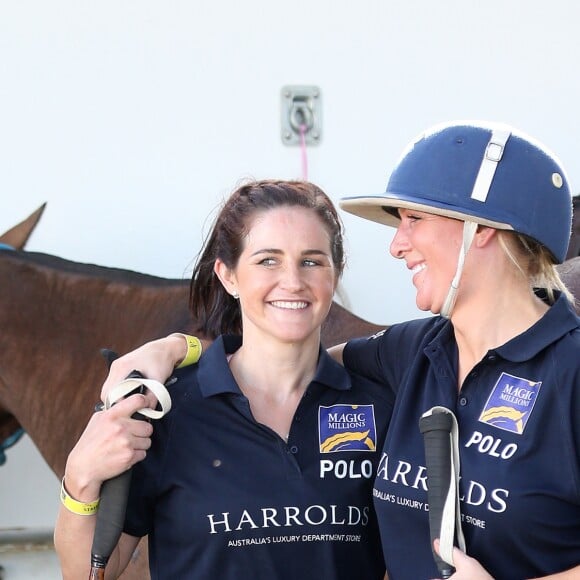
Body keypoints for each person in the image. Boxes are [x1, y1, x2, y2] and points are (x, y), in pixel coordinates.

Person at [100, 121, 580, 580]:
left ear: (484, 228)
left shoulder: (571, 370)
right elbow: (281, 362)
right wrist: (176, 350)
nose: (397, 245)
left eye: (413, 219)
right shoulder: (414, 352)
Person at [53, 180, 393, 579]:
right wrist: (79, 477)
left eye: (312, 261)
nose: (293, 281)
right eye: (268, 260)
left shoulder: (378, 407)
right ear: (228, 275)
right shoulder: (168, 411)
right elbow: (92, 573)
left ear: (335, 274)